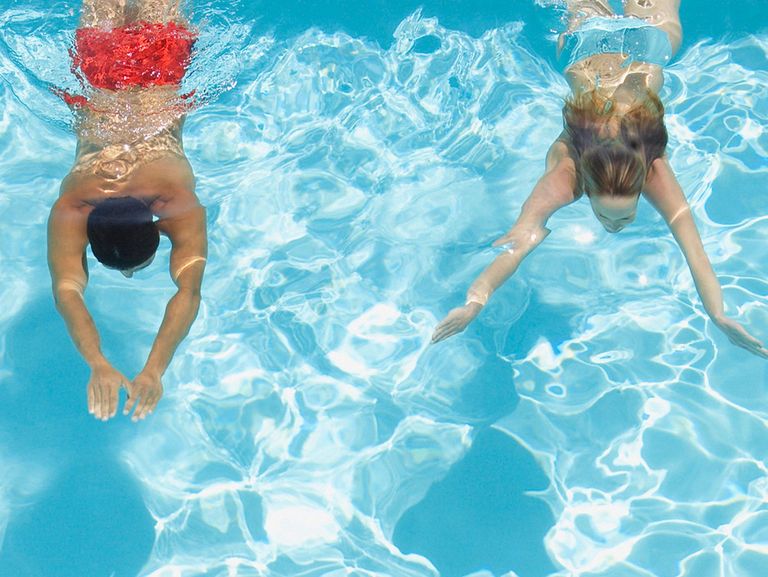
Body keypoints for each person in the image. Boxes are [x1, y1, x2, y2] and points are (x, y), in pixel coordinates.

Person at [432, 0, 767, 358]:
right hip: (642, 52)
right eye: (612, 216)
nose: (614, 225)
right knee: (663, 30)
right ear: (586, 188)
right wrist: (475, 302)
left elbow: (695, 253)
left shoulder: (652, 173)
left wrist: (718, 315)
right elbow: (521, 242)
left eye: (618, 216)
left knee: (584, 14)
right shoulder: (565, 176)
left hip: (587, 52)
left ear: (641, 187)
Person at [48, 0, 208, 422]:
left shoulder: (177, 203)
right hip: (99, 78)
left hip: (162, 75)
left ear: (158, 229)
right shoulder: (74, 204)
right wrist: (96, 362)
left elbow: (188, 292)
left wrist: (154, 371)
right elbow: (66, 291)